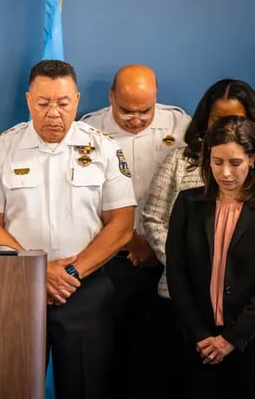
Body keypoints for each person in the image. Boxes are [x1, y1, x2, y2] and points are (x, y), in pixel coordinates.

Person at [0, 60, 136, 399]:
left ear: (76, 99)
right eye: (43, 104)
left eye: (62, 103)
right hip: (17, 285)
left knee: (87, 387)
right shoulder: (0, 149)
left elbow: (121, 226)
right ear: (29, 100)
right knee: (10, 385)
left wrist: (69, 272)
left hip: (84, 287)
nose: (53, 113)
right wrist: (37, 272)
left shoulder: (103, 147)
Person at [80, 64, 190, 399]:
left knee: (162, 350)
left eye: (146, 110)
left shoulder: (180, 125)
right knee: (112, 352)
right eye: (127, 111)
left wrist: (154, 244)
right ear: (111, 97)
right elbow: (82, 198)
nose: (137, 119)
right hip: (112, 257)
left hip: (166, 257)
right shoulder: (87, 130)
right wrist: (129, 239)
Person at [142, 78, 255, 397]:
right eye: (217, 163)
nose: (226, 173)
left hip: (246, 340)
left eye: (235, 163)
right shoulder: (190, 203)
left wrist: (231, 338)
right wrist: (200, 334)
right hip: (195, 335)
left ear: (251, 160)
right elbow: (176, 270)